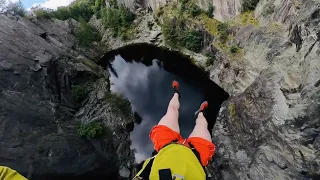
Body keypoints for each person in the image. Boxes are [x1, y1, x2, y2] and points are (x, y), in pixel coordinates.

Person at [134, 80, 215, 180]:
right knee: (202, 124)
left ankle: (176, 93)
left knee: (172, 110)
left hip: (166, 146)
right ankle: (201, 113)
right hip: (196, 157)